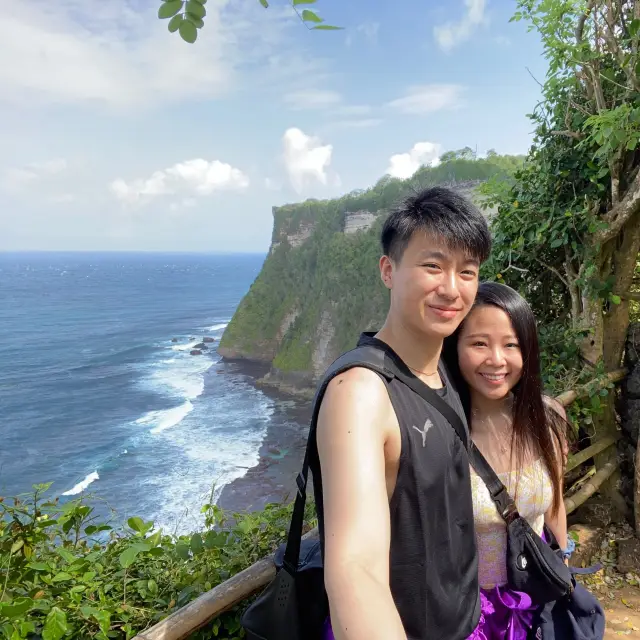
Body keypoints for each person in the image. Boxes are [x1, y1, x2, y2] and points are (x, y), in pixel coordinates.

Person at [309, 186, 492, 640]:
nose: (452, 288)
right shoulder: (360, 393)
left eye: (467, 271)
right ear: (388, 270)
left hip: (468, 622)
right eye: (433, 266)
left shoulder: (443, 373)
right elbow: (356, 569)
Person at [444, 282, 571, 640]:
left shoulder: (547, 419)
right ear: (455, 347)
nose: (497, 360)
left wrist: (564, 565)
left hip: (535, 599)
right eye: (479, 343)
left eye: (511, 344)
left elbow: (556, 505)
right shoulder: (439, 434)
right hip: (469, 616)